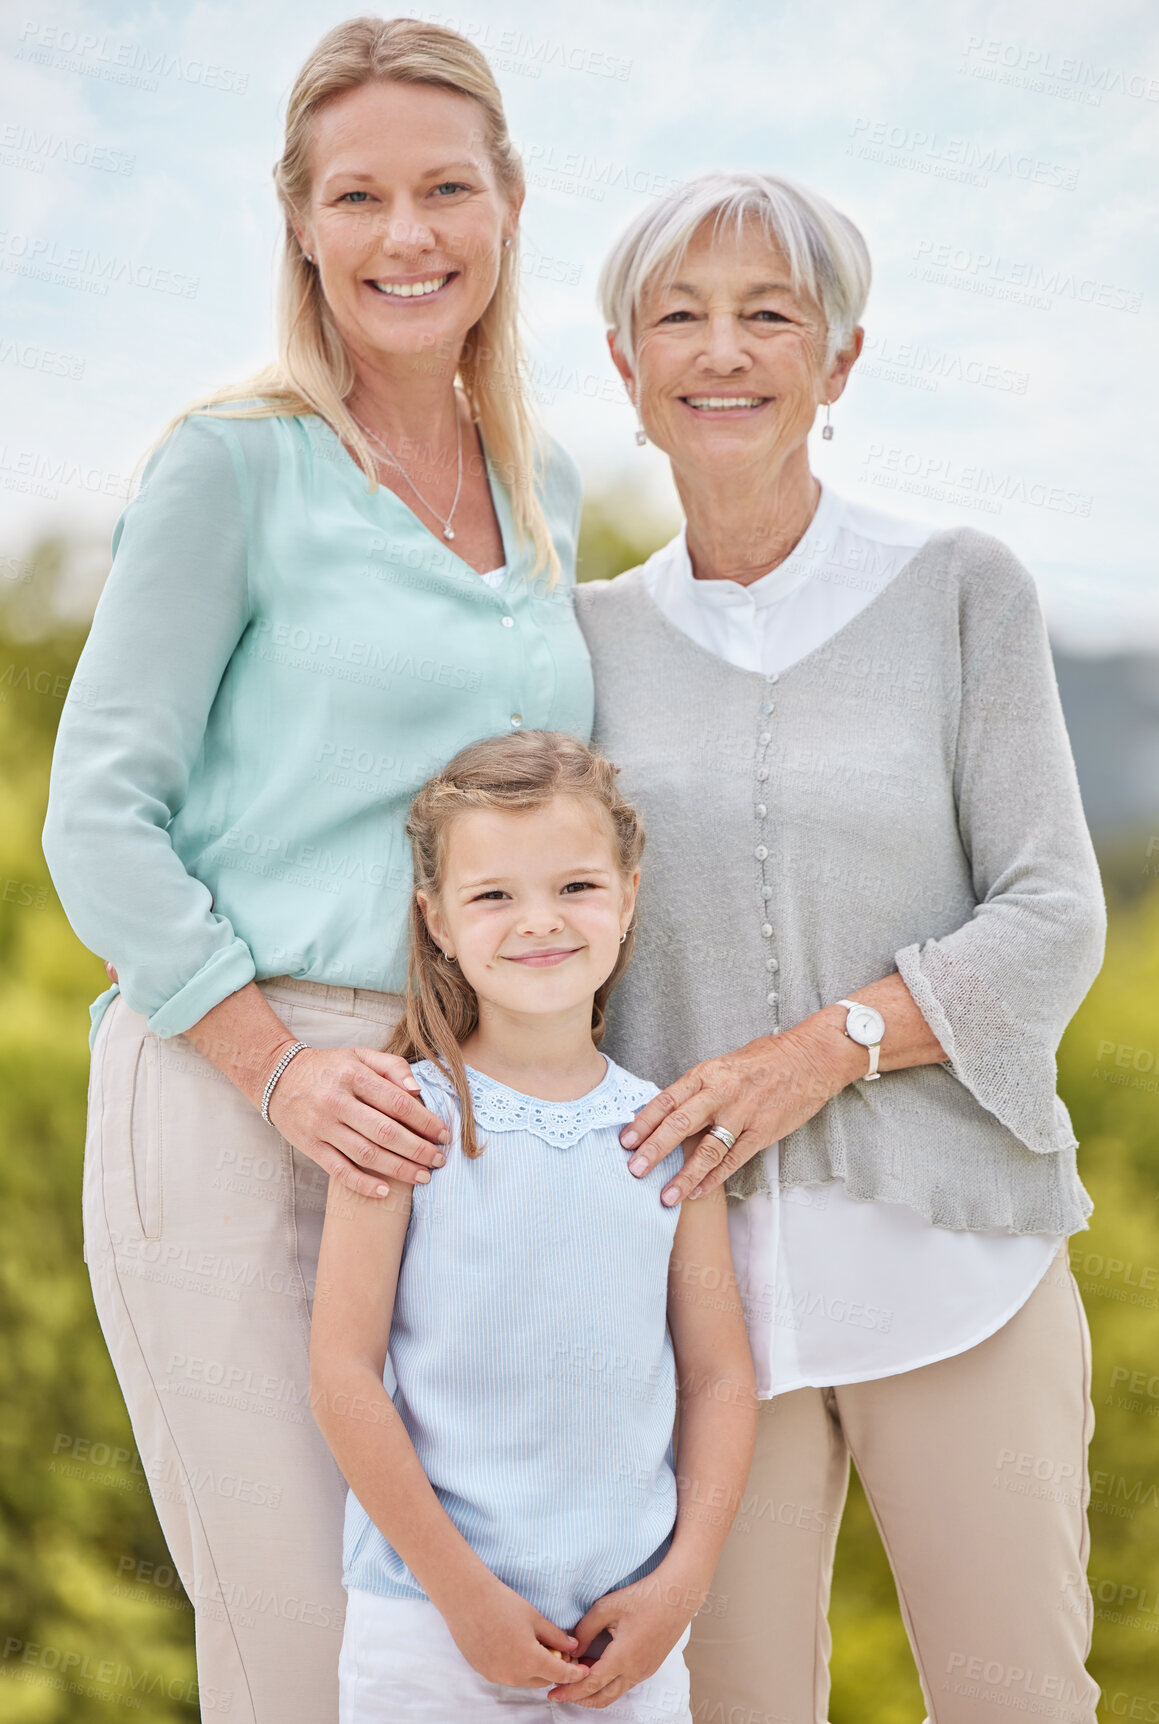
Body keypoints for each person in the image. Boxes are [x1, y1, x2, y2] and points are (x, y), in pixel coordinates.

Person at [40, 20, 593, 1721]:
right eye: (356, 194)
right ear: (297, 220)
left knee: (466, 1654)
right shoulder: (231, 462)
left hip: (466, 1134)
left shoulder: (543, 485)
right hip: (233, 1094)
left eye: (443, 188)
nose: (403, 234)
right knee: (298, 1658)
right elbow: (94, 815)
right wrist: (274, 1070)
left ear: (508, 202)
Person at [575, 171, 1106, 1724]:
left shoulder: (955, 587)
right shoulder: (578, 640)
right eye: (676, 316)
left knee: (1015, 1700)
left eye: (768, 314)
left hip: (959, 1269)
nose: (720, 351)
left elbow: (1052, 911)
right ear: (626, 369)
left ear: (840, 359)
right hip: (688, 1305)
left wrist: (827, 1047)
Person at [309, 729, 757, 1721]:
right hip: (428, 1631)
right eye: (493, 894)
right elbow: (342, 1374)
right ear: (435, 918)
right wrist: (462, 1597)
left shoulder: (667, 1132)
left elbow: (720, 1373)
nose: (538, 922)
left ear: (629, 893)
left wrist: (679, 1585)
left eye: (575, 887)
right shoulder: (405, 1122)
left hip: (627, 1638)